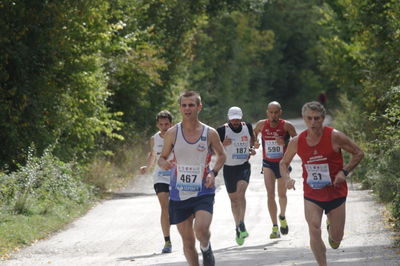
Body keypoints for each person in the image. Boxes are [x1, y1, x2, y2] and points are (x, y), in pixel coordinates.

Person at [280, 101, 364, 266]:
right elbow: (283, 163)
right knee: (313, 229)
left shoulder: (335, 136)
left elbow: (358, 153)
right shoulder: (297, 141)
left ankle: (331, 227)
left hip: (335, 192)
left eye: (317, 118)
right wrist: (287, 178)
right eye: (309, 118)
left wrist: (344, 171)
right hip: (312, 194)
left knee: (336, 239)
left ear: (323, 118)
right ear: (304, 118)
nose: (313, 122)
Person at [158, 91, 226, 266]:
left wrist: (213, 172)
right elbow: (162, 157)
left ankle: (206, 246)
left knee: (201, 230)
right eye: (184, 105)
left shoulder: (209, 133)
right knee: (188, 242)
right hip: (179, 193)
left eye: (191, 105)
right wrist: (163, 163)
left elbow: (222, 155)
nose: (187, 108)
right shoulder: (172, 133)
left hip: (204, 189)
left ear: (199, 107)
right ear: (180, 108)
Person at [253, 101, 297, 239]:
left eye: (276, 112)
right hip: (268, 164)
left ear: (280, 112)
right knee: (270, 195)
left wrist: (284, 143)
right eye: (271, 112)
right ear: (267, 112)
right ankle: (274, 227)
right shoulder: (261, 124)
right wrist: (254, 142)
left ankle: (282, 216)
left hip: (283, 164)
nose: (273, 115)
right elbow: (253, 135)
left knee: (282, 195)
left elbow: (297, 142)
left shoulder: (287, 125)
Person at [216, 106, 256, 246]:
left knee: (241, 194)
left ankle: (242, 223)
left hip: (243, 166)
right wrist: (222, 144)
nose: (235, 121)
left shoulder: (247, 126)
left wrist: (251, 150)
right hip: (229, 169)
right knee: (233, 201)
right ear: (229, 118)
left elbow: (253, 142)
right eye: (233, 119)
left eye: (237, 118)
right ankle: (237, 227)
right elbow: (211, 149)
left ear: (241, 117)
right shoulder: (221, 130)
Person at [139, 110, 174, 253]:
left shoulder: (177, 135)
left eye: (166, 124)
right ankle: (167, 242)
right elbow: (153, 155)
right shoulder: (154, 138)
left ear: (171, 124)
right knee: (164, 207)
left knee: (177, 208)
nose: (164, 127)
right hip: (160, 176)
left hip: (176, 176)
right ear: (157, 124)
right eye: (161, 124)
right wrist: (147, 167)